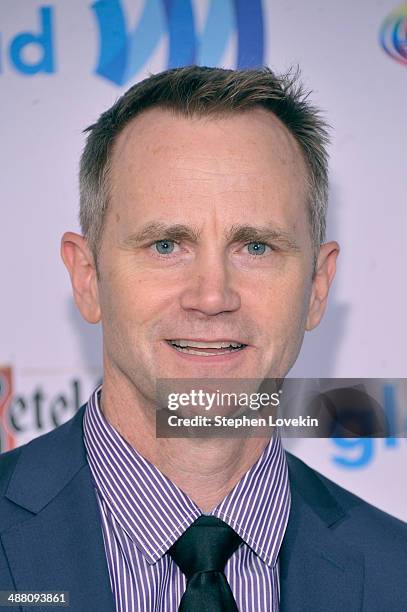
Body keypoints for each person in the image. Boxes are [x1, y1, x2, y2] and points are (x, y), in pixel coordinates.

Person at [0, 66, 406, 612]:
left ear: (316, 286)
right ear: (87, 277)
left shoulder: (395, 573)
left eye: (256, 247)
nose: (212, 296)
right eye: (167, 245)